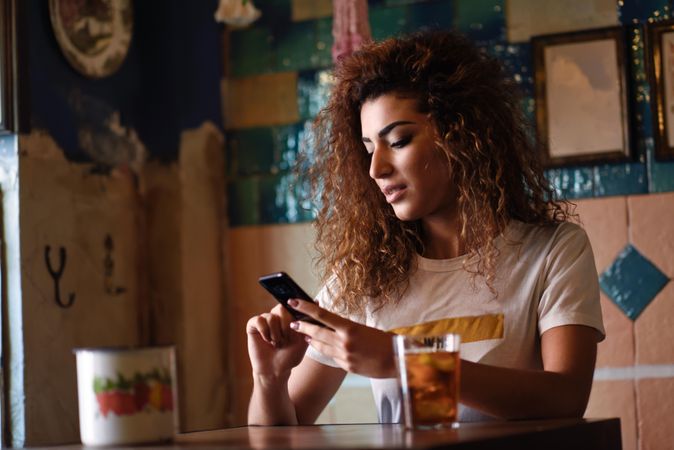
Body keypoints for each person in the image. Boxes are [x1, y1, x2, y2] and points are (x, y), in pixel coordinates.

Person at [246, 30, 604, 425]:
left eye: (398, 140)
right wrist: (269, 380)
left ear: (462, 136)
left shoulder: (554, 250)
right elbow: (281, 430)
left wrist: (401, 360)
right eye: (368, 150)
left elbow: (567, 397)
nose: (376, 169)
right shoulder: (365, 273)